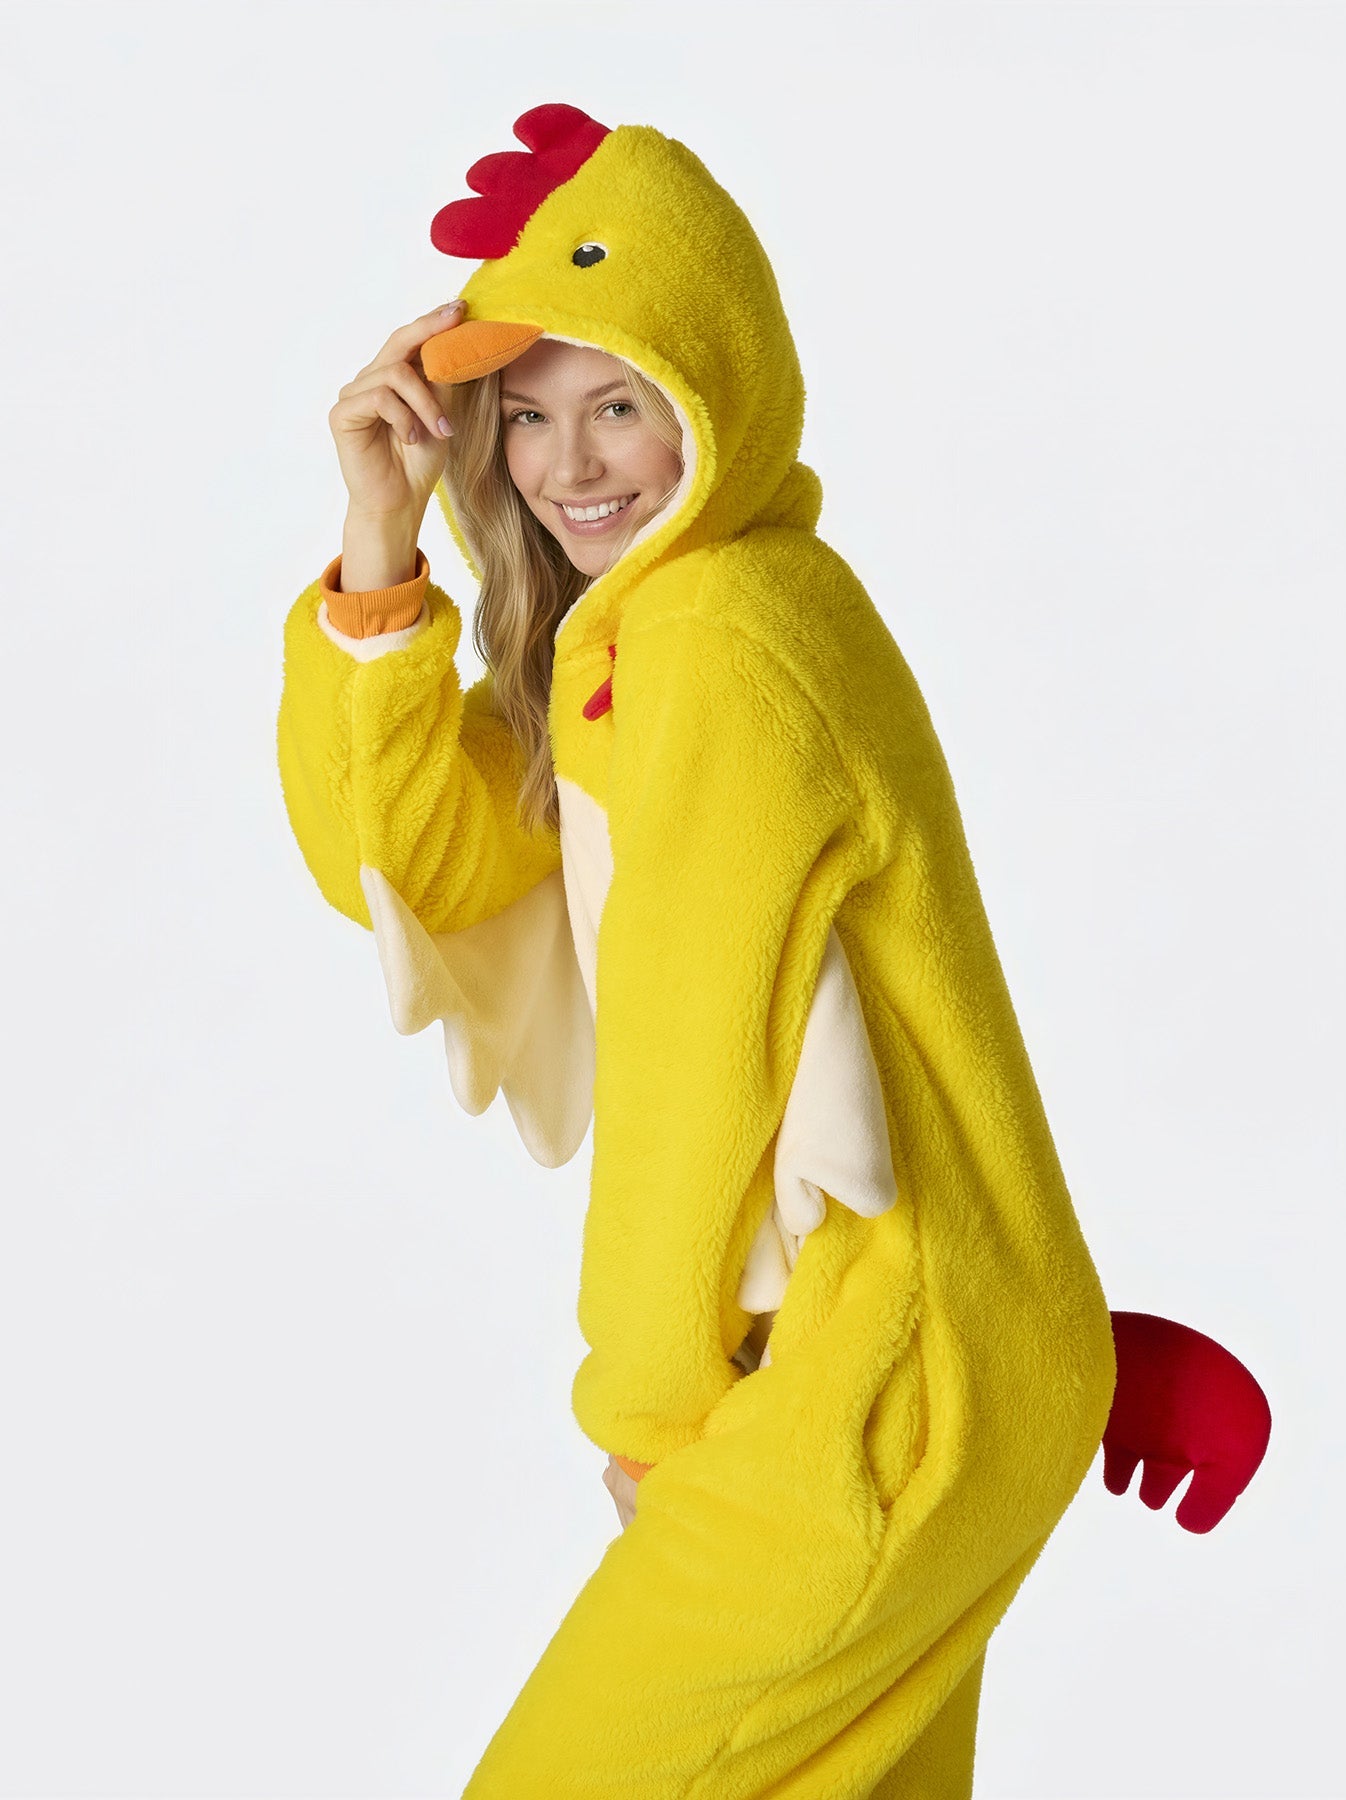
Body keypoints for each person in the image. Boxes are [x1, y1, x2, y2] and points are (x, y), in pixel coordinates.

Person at [276, 103, 1117, 1799]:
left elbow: (694, 1059)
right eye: (526, 417)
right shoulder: (647, 640)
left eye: (619, 404)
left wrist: (651, 1413)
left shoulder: (722, 637)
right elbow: (415, 864)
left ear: (716, 389)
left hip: (874, 1386)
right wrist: (379, 548)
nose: (569, 468)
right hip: (929, 1360)